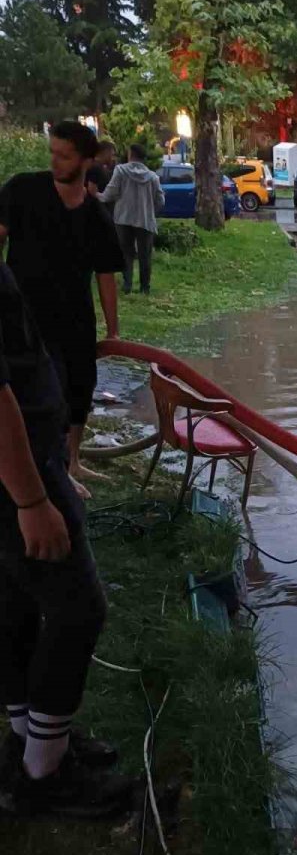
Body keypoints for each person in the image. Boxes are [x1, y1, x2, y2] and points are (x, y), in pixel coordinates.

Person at [0, 262, 131, 817]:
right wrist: (32, 500)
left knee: (16, 600)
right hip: (15, 471)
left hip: (30, 457)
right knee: (79, 610)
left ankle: (28, 737)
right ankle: (44, 774)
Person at [0, 120, 123, 497]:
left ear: (86, 160)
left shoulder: (95, 217)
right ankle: (51, 468)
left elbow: (105, 275)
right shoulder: (23, 189)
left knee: (80, 388)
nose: (55, 161)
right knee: (45, 393)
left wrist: (113, 331)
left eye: (64, 156)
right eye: (53, 153)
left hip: (76, 315)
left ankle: (72, 461)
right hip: (26, 314)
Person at [100, 143, 166, 296]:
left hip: (123, 218)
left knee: (126, 253)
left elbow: (111, 192)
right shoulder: (152, 177)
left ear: (130, 154)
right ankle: (145, 287)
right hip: (145, 220)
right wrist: (151, 211)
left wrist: (99, 196)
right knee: (145, 255)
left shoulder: (120, 171)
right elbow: (160, 200)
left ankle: (127, 285)